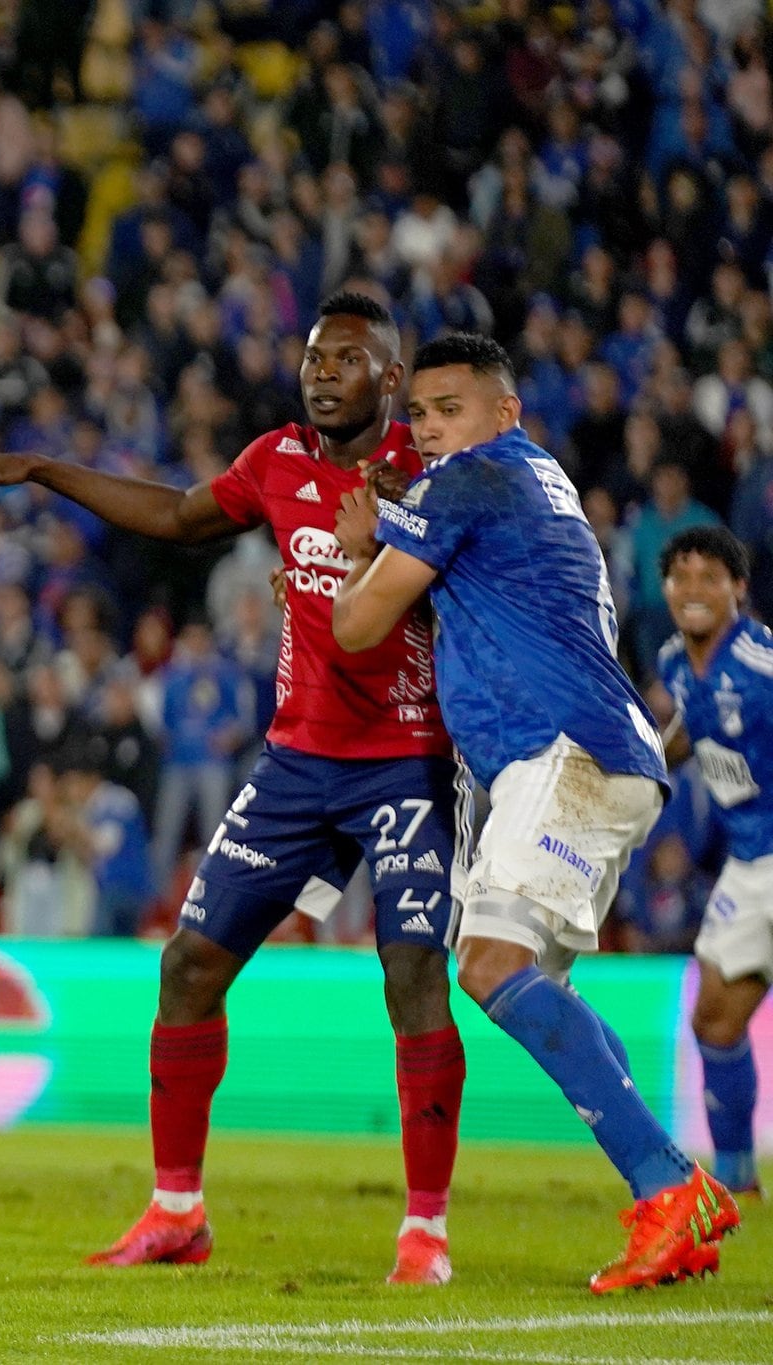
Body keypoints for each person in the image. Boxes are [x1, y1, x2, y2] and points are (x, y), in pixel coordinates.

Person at [0, 293, 466, 1285]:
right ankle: (176, 1209)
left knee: (410, 975)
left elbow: (481, 601)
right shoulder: (276, 461)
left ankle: (424, 1230)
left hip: (405, 757)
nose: (322, 375)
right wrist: (40, 470)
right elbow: (178, 516)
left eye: (346, 360)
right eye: (314, 359)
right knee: (185, 965)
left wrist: (391, 545)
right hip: (297, 760)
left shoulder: (432, 472)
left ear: (390, 379)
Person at [332, 331, 741, 1293]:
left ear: (505, 411)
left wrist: (362, 550)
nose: (431, 430)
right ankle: (674, 1192)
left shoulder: (464, 482)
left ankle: (668, 1187)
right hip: (582, 754)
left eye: (452, 410)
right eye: (419, 415)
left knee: (491, 965)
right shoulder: (531, 480)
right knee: (531, 981)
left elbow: (356, 624)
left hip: (563, 750)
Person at [655, 526, 771, 1200]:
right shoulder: (675, 661)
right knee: (715, 1020)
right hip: (749, 864)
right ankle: (737, 1178)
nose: (693, 590)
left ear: (738, 589)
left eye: (710, 578)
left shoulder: (761, 664)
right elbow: (689, 737)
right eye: (681, 577)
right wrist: (642, 766)